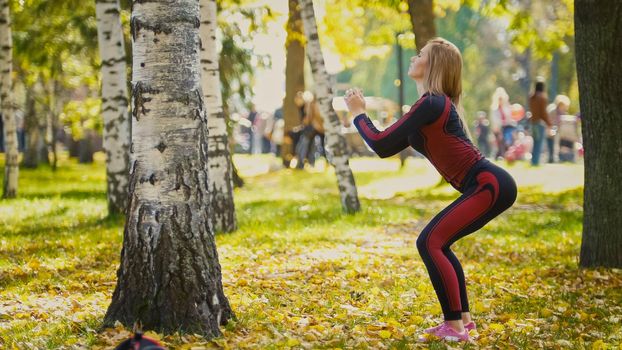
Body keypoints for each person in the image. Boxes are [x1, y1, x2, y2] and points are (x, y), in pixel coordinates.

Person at [344, 37, 517, 343]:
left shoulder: (433, 103)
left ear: (432, 64)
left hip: (487, 183)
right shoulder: (430, 106)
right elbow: (385, 147)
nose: (414, 57)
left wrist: (358, 113)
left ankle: (453, 328)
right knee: (439, 243)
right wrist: (361, 116)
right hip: (486, 185)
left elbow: (380, 142)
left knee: (430, 241)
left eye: (420, 54)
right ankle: (463, 322)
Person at [528, 81, 552, 166]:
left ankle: (533, 160)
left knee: (535, 142)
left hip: (533, 123)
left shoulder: (531, 97)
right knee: (539, 143)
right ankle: (535, 162)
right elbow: (543, 113)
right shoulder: (542, 97)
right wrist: (549, 123)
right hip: (539, 123)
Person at [489, 87, 514, 159]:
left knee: (506, 142)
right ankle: (500, 156)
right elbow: (495, 121)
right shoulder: (495, 109)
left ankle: (504, 156)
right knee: (500, 143)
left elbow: (508, 117)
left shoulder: (506, 108)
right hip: (498, 129)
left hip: (505, 128)